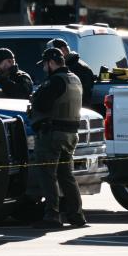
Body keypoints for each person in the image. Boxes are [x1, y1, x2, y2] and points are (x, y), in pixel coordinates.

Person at [29, 47, 85, 228]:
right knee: (66, 175)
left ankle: (52, 216)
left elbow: (42, 104)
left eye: (45, 64)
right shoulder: (74, 79)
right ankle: (76, 215)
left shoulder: (55, 81)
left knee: (47, 175)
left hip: (52, 134)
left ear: (51, 63)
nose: (44, 68)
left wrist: (35, 96)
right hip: (70, 135)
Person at [47, 38, 96, 107]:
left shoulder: (79, 68)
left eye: (54, 52)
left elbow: (81, 95)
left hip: (78, 111)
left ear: (63, 50)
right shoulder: (72, 65)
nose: (51, 56)